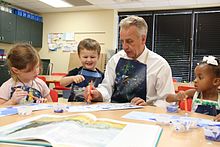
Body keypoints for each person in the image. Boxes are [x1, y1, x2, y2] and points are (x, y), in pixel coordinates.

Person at [84, 15, 175, 107]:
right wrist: (98, 94)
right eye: (122, 41)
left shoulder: (160, 65)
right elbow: (107, 87)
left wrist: (148, 107)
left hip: (146, 117)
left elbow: (167, 100)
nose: (124, 47)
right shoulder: (115, 60)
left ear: (143, 39)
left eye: (129, 41)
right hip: (115, 113)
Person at [166, 55, 220, 121]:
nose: (195, 80)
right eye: (195, 77)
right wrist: (177, 97)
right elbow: (167, 98)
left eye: (200, 77)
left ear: (216, 81)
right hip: (195, 129)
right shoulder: (194, 93)